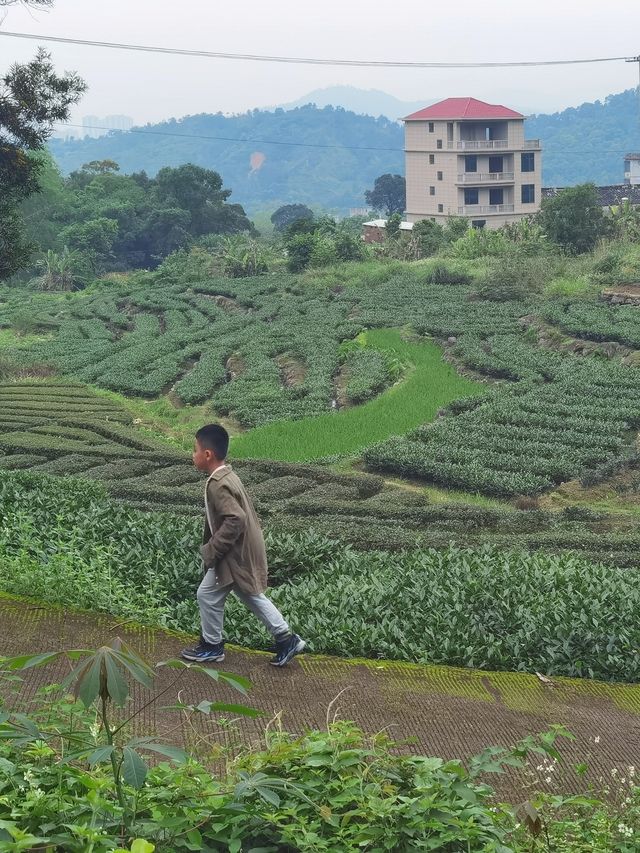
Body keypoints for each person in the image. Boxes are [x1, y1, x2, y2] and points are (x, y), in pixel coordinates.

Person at [181, 423, 306, 667]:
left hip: (234, 553)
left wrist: (212, 549)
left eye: (194, 449)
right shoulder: (227, 474)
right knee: (248, 593)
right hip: (243, 548)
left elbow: (235, 518)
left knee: (207, 594)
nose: (192, 455)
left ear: (208, 454)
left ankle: (212, 646)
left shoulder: (217, 483)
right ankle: (285, 638)